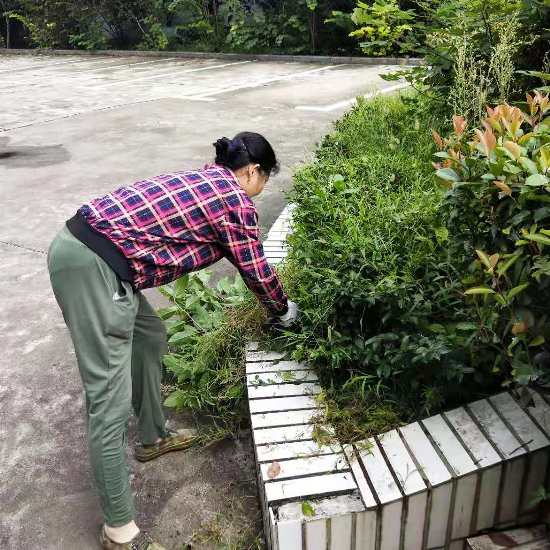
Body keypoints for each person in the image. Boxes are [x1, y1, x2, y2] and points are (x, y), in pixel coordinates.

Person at [47, 131, 299, 550]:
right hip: (90, 265)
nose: (261, 190)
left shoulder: (208, 179)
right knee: (108, 403)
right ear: (253, 171)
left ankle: (153, 437)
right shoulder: (234, 200)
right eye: (264, 180)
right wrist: (284, 310)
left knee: (149, 334)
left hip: (97, 254)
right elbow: (255, 269)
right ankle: (119, 531)